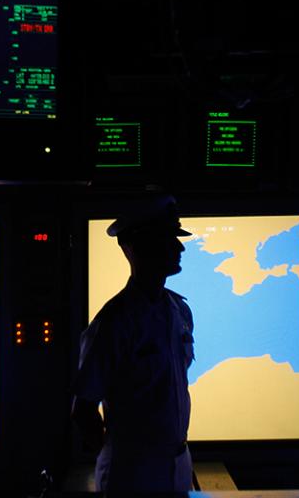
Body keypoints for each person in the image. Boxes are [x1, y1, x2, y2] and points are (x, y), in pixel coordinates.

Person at [72, 195, 195, 493]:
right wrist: (120, 458)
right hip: (134, 472)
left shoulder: (179, 311)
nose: (180, 248)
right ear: (140, 247)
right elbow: (84, 409)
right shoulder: (114, 323)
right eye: (168, 240)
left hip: (178, 464)